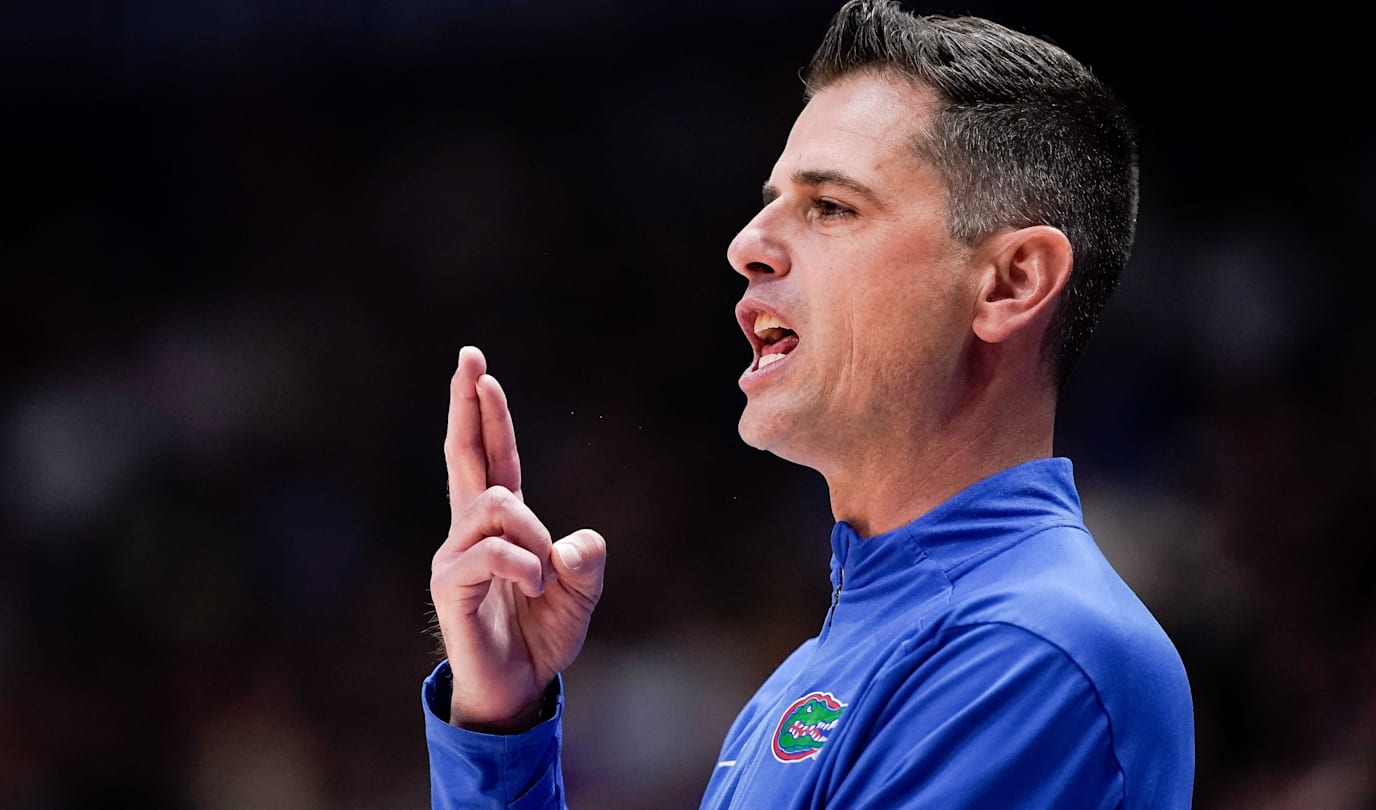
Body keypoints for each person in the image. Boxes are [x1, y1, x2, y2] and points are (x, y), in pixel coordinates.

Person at [422, 1, 1195, 807]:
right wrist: (497, 731)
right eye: (773, 199)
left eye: (831, 207)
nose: (746, 243)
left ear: (1010, 282)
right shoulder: (807, 679)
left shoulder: (1038, 652)